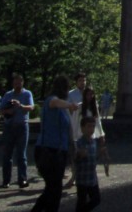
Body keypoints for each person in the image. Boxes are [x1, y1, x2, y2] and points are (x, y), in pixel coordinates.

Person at [31, 74, 80, 212]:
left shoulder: (63, 109)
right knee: (54, 189)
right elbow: (54, 102)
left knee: (53, 189)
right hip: (48, 150)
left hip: (59, 151)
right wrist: (69, 105)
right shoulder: (51, 101)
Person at [0, 72, 35, 189]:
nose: (17, 85)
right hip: (9, 126)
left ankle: (22, 179)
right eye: (15, 83)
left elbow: (31, 107)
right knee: (7, 155)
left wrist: (20, 106)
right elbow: (0, 109)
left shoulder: (27, 93)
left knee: (21, 154)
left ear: (22, 82)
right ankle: (6, 180)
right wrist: (7, 111)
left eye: (19, 82)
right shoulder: (8, 95)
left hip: (22, 126)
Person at [64, 72, 87, 189]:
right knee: (74, 154)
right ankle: (74, 176)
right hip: (75, 127)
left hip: (86, 128)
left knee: (85, 154)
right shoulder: (71, 94)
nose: (83, 83)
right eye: (80, 80)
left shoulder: (89, 93)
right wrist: (76, 106)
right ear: (76, 82)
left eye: (84, 80)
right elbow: (68, 108)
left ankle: (82, 177)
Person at [74, 116, 102, 212]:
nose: (91, 129)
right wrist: (79, 156)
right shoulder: (79, 143)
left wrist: (100, 154)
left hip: (92, 178)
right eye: (89, 126)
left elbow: (94, 159)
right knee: (81, 201)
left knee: (96, 199)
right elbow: (74, 161)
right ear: (82, 128)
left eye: (93, 126)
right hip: (82, 179)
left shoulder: (94, 142)